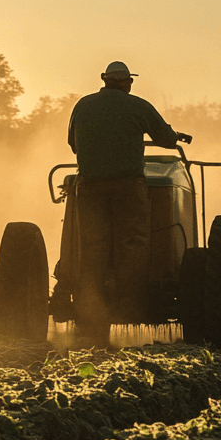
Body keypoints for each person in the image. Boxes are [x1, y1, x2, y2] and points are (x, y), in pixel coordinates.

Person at [67, 61, 189, 347]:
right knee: (132, 241)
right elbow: (165, 138)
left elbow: (73, 144)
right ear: (127, 83)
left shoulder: (83, 106)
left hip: (89, 187)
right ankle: (129, 302)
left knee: (93, 244)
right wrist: (176, 137)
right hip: (128, 186)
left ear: (104, 80)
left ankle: (91, 309)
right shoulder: (138, 106)